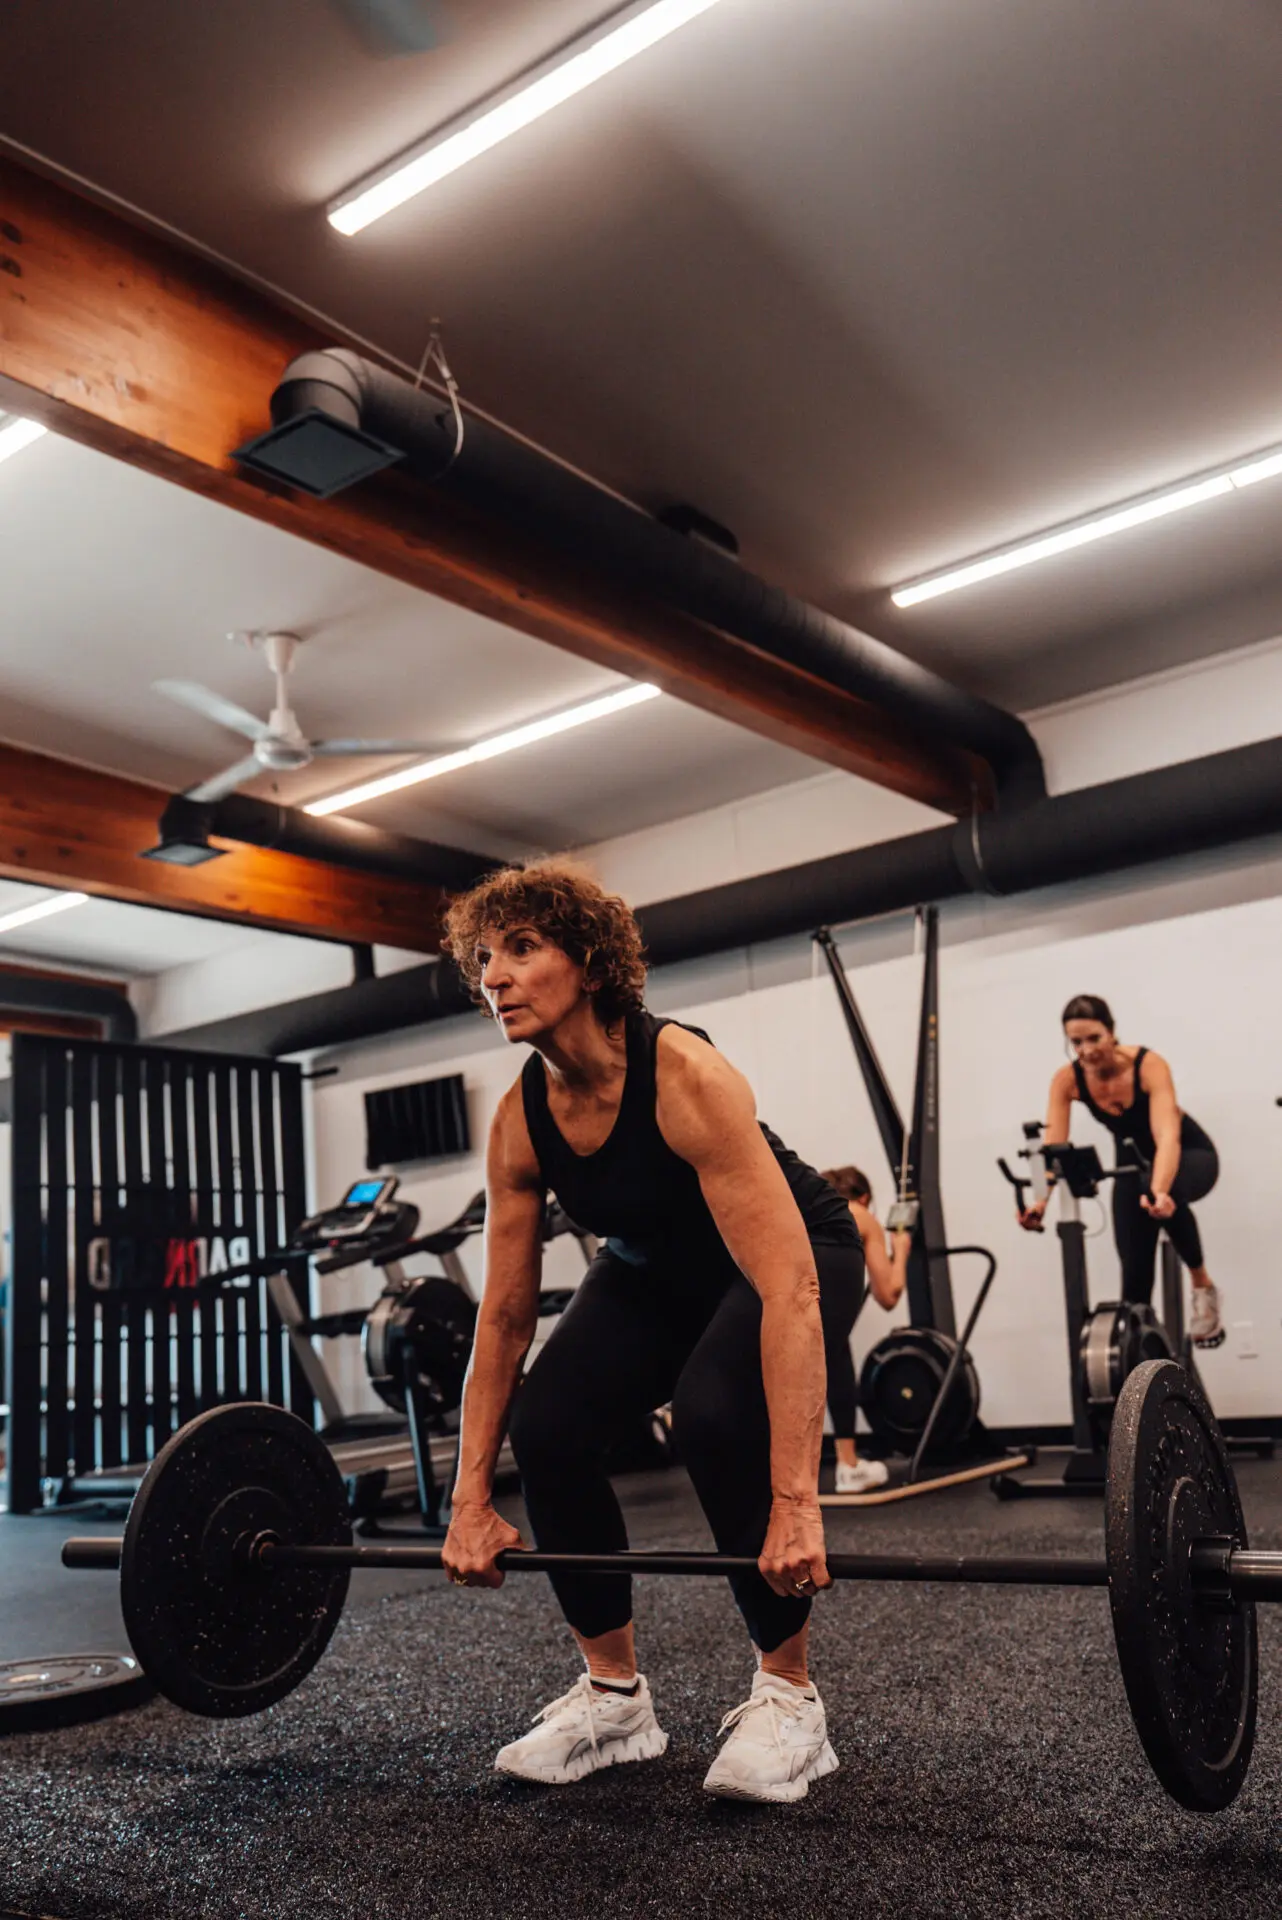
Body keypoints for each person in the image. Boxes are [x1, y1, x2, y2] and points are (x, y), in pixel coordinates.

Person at [439, 858, 864, 1804]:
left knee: (715, 1411)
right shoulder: (520, 1118)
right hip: (653, 1271)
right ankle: (615, 1699)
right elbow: (505, 1318)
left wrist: (797, 1500)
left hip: (796, 1254)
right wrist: (469, 1497)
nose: (492, 976)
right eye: (481, 958)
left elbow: (788, 1287)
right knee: (547, 1425)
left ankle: (790, 1698)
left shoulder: (684, 1072)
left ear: (589, 964)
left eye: (520, 948)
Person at [1017, 994, 1222, 1345]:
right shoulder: (1068, 1080)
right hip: (1132, 1164)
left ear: (1112, 1033)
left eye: (1094, 1038)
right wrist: (1039, 1202)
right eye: (1076, 1042)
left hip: (1189, 1152)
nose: (1086, 1050)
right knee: (1133, 1275)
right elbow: (1054, 1147)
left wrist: (1159, 1190)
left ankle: (1203, 1287)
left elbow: (1166, 1135)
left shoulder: (1148, 1065)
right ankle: (1143, 1353)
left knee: (1157, 1188)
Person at [819, 1165, 911, 1493]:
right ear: (865, 1197)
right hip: (822, 1319)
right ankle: (849, 1466)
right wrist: (900, 1252)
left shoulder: (810, 1212)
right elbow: (888, 1294)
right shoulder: (860, 1214)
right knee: (835, 1345)